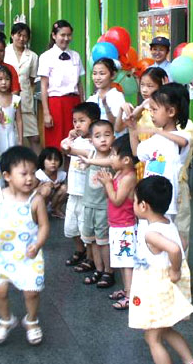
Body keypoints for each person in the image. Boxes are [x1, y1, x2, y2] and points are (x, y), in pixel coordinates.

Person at [130, 175, 193, 364]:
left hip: (156, 286)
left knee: (152, 337)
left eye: (134, 200)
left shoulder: (152, 233)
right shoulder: (166, 220)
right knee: (166, 328)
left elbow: (175, 249)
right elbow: (181, 243)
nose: (133, 205)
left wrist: (175, 269)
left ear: (143, 205)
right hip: (162, 286)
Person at [0, 146, 49, 345]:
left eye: (33, 173)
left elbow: (44, 226)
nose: (30, 178)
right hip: (1, 254)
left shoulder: (36, 200)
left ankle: (32, 320)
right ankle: (5, 319)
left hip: (28, 254)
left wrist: (38, 243)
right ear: (7, 176)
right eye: (24, 174)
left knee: (31, 292)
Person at [128, 84, 193, 223]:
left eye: (155, 110)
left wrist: (158, 131)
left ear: (171, 112)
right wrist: (132, 129)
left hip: (166, 201)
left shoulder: (181, 136)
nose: (151, 114)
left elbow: (183, 142)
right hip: (148, 197)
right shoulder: (155, 139)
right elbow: (137, 152)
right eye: (150, 110)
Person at [73, 119, 115, 289]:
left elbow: (110, 163)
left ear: (113, 136)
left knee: (103, 241)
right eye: (98, 136)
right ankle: (98, 269)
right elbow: (68, 149)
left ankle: (109, 271)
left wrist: (90, 163)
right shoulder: (90, 154)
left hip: (104, 207)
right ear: (91, 140)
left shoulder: (113, 156)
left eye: (107, 135)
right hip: (88, 205)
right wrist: (69, 140)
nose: (103, 139)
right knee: (92, 241)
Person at [101, 135, 139, 310]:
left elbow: (116, 200)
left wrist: (108, 184)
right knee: (122, 260)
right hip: (117, 224)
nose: (110, 158)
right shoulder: (119, 173)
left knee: (127, 261)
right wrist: (105, 183)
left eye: (113, 155)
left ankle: (131, 295)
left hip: (126, 226)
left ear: (125, 160)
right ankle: (126, 290)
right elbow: (108, 195)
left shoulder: (129, 177)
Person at [60, 102, 99, 269]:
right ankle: (79, 249)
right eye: (75, 121)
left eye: (81, 120)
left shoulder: (95, 142)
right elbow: (63, 145)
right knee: (71, 226)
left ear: (94, 121)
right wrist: (70, 138)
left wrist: (72, 150)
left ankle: (90, 258)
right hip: (73, 193)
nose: (77, 125)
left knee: (86, 229)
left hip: (87, 196)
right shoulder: (76, 140)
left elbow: (91, 154)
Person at [38, 19, 84, 149]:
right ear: (54, 36)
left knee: (76, 143)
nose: (66, 38)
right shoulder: (46, 57)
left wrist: (82, 105)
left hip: (74, 102)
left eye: (69, 35)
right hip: (56, 104)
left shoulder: (76, 56)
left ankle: (71, 169)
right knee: (56, 143)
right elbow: (44, 86)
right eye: (62, 35)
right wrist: (46, 113)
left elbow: (79, 84)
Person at [4, 22, 39, 152]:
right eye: (19, 35)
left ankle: (39, 168)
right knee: (9, 136)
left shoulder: (33, 56)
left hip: (25, 100)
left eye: (25, 36)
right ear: (12, 35)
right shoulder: (4, 52)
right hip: (6, 98)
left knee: (34, 137)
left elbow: (31, 80)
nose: (22, 39)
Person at [87, 58, 127, 137]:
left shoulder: (117, 96)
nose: (97, 78)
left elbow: (117, 126)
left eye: (102, 74)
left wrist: (106, 107)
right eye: (94, 73)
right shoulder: (91, 99)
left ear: (113, 75)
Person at [0, 65, 23, 151]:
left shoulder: (16, 99)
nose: (4, 82)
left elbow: (19, 120)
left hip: (11, 136)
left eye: (7, 79)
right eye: (0, 79)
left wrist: (20, 140)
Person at [35, 147, 67, 219]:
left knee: (65, 188)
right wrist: (41, 187)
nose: (53, 162)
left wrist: (56, 187)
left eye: (56, 160)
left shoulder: (61, 175)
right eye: (49, 159)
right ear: (43, 161)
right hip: (40, 202)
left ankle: (56, 210)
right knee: (46, 189)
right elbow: (30, 193)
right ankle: (39, 213)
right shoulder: (39, 175)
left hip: (52, 201)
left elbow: (62, 191)